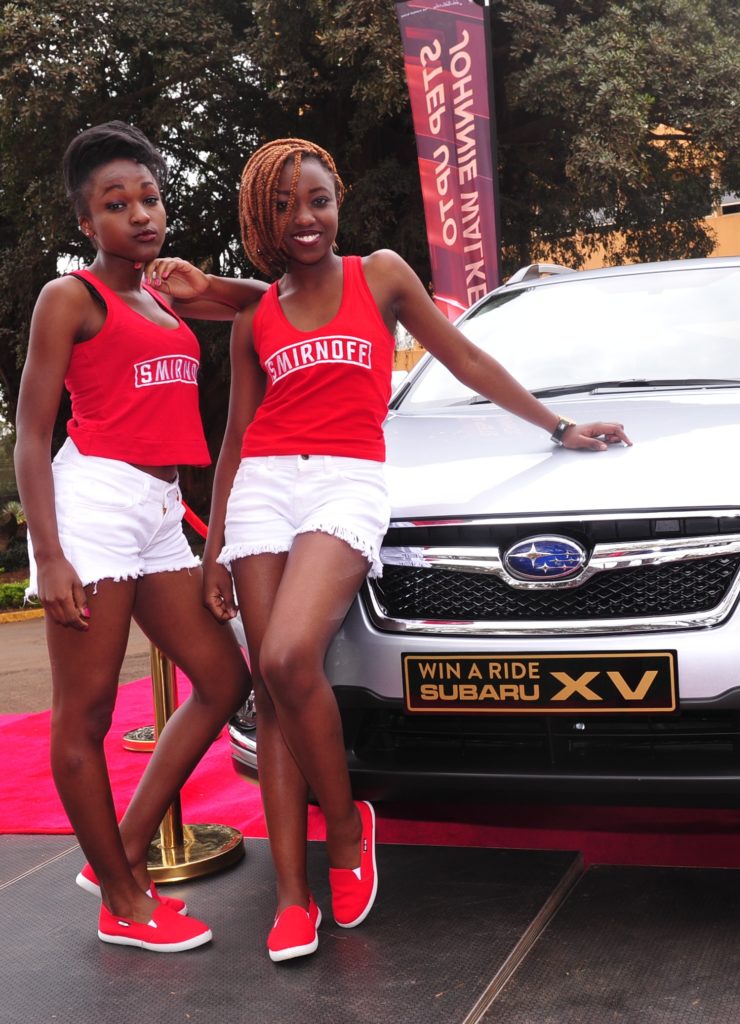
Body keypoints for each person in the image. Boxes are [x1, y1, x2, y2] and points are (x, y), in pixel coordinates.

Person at [201, 138, 631, 962]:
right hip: (261, 485)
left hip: (346, 481)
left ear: (339, 200)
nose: (306, 218)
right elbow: (234, 437)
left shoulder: (381, 274)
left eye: (319, 199)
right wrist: (217, 544)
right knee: (271, 680)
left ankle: (345, 836)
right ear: (265, 216)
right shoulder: (255, 316)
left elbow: (463, 355)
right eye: (286, 205)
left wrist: (557, 426)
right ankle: (292, 896)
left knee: (292, 659)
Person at [13, 121, 266, 953]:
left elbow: (280, 304)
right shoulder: (71, 298)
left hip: (160, 509)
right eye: (115, 205)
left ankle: (116, 851)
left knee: (223, 678)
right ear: (87, 223)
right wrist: (47, 556)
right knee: (82, 717)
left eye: (149, 198)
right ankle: (124, 898)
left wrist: (204, 280)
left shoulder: (165, 295)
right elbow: (32, 434)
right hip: (93, 506)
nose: (140, 215)